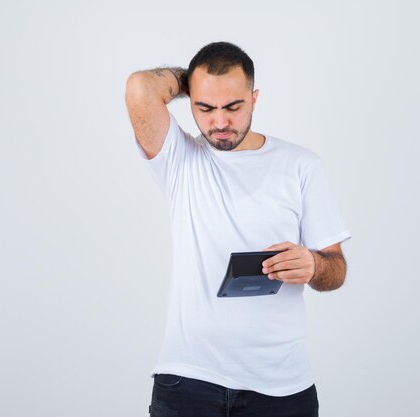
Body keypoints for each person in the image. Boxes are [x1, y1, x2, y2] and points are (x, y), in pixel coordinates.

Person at [125, 41, 351, 417]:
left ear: (254, 98)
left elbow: (336, 270)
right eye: (205, 107)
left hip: (283, 387)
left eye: (233, 106)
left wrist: (313, 264)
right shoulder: (180, 159)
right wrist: (194, 82)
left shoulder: (302, 166)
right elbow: (139, 87)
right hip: (188, 380)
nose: (220, 122)